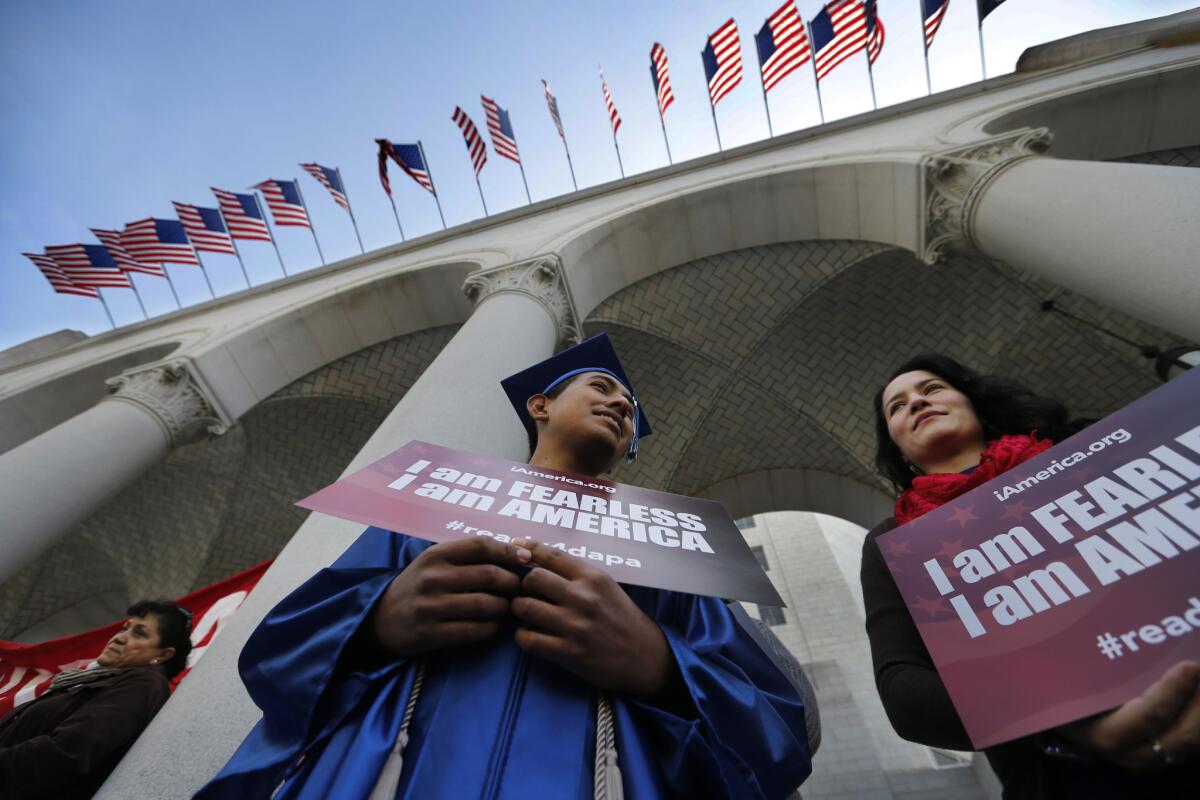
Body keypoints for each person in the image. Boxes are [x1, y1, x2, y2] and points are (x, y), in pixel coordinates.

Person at [198, 333, 813, 799]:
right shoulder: (430, 504)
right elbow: (277, 654)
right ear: (540, 404)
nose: (622, 405)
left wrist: (660, 666)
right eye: (602, 388)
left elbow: (781, 729)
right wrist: (377, 622)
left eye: (629, 406)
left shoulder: (666, 546)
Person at [860, 353, 1200, 798]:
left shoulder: (1090, 449)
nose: (917, 403)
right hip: (1064, 778)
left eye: (932, 389)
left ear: (976, 403)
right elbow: (905, 694)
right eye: (897, 407)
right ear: (897, 450)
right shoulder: (893, 544)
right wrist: (1063, 714)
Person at [0, 600, 193, 800]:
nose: (120, 637)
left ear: (163, 654)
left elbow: (68, 753)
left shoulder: (144, 683)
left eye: (140, 633)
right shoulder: (105, 680)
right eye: (124, 628)